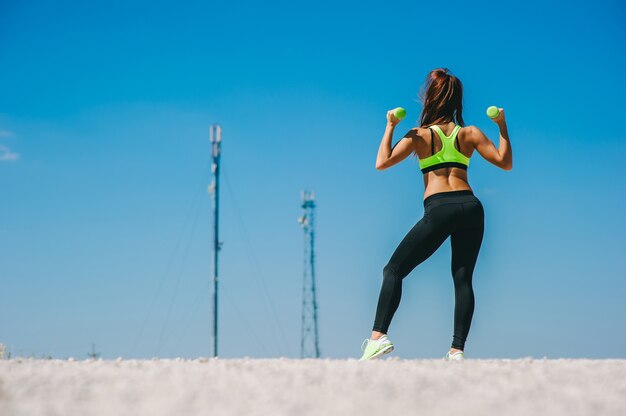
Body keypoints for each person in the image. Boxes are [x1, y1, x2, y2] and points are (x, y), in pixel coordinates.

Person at [359, 68, 513, 361]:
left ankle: (377, 337)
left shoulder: (419, 135)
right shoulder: (470, 133)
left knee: (393, 270)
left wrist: (390, 125)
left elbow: (382, 162)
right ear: (457, 101)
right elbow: (505, 163)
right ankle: (457, 351)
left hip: (440, 207)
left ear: (430, 99)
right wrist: (502, 125)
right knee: (463, 278)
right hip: (471, 206)